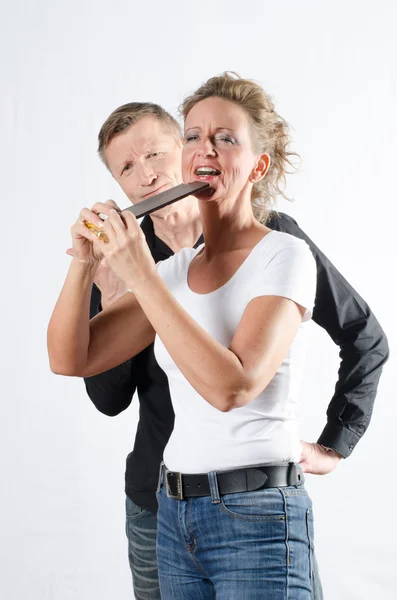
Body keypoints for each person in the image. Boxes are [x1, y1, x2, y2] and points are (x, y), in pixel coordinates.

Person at [50, 79, 389, 598]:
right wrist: (85, 263)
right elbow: (76, 362)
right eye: (194, 138)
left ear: (257, 166)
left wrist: (334, 444)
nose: (146, 175)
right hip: (167, 505)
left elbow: (234, 386)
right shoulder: (158, 267)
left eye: (224, 139)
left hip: (255, 511)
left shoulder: (281, 249)